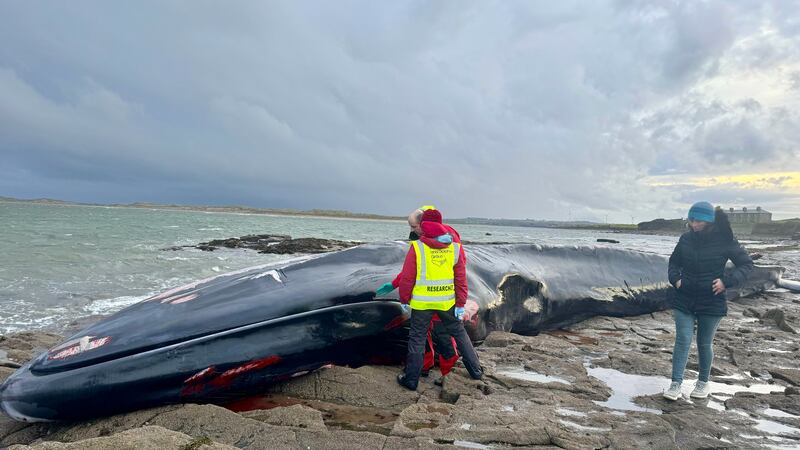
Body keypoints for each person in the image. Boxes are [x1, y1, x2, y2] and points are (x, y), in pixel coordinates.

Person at [663, 201, 753, 401]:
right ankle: (675, 384)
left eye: (699, 222)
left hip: (711, 300)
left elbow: (746, 265)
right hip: (684, 297)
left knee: (704, 343)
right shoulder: (685, 239)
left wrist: (726, 282)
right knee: (683, 339)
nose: (694, 225)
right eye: (691, 220)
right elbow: (674, 262)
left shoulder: (726, 240)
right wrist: (676, 280)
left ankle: (703, 383)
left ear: (710, 222)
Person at [394, 208, 482, 390]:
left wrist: (403, 299)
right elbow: (460, 278)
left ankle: (411, 380)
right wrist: (460, 303)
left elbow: (408, 277)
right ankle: (476, 371)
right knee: (459, 333)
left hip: (422, 303)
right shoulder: (454, 248)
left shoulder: (417, 247)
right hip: (446, 302)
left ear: (424, 225)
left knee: (417, 338)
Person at [375, 205, 462, 379]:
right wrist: (394, 284)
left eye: (414, 227)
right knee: (425, 334)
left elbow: (459, 270)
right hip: (425, 300)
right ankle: (424, 365)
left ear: (424, 223)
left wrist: (460, 302)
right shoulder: (424, 238)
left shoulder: (450, 239)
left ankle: (449, 374)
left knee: (444, 336)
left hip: (443, 300)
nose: (412, 230)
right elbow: (413, 270)